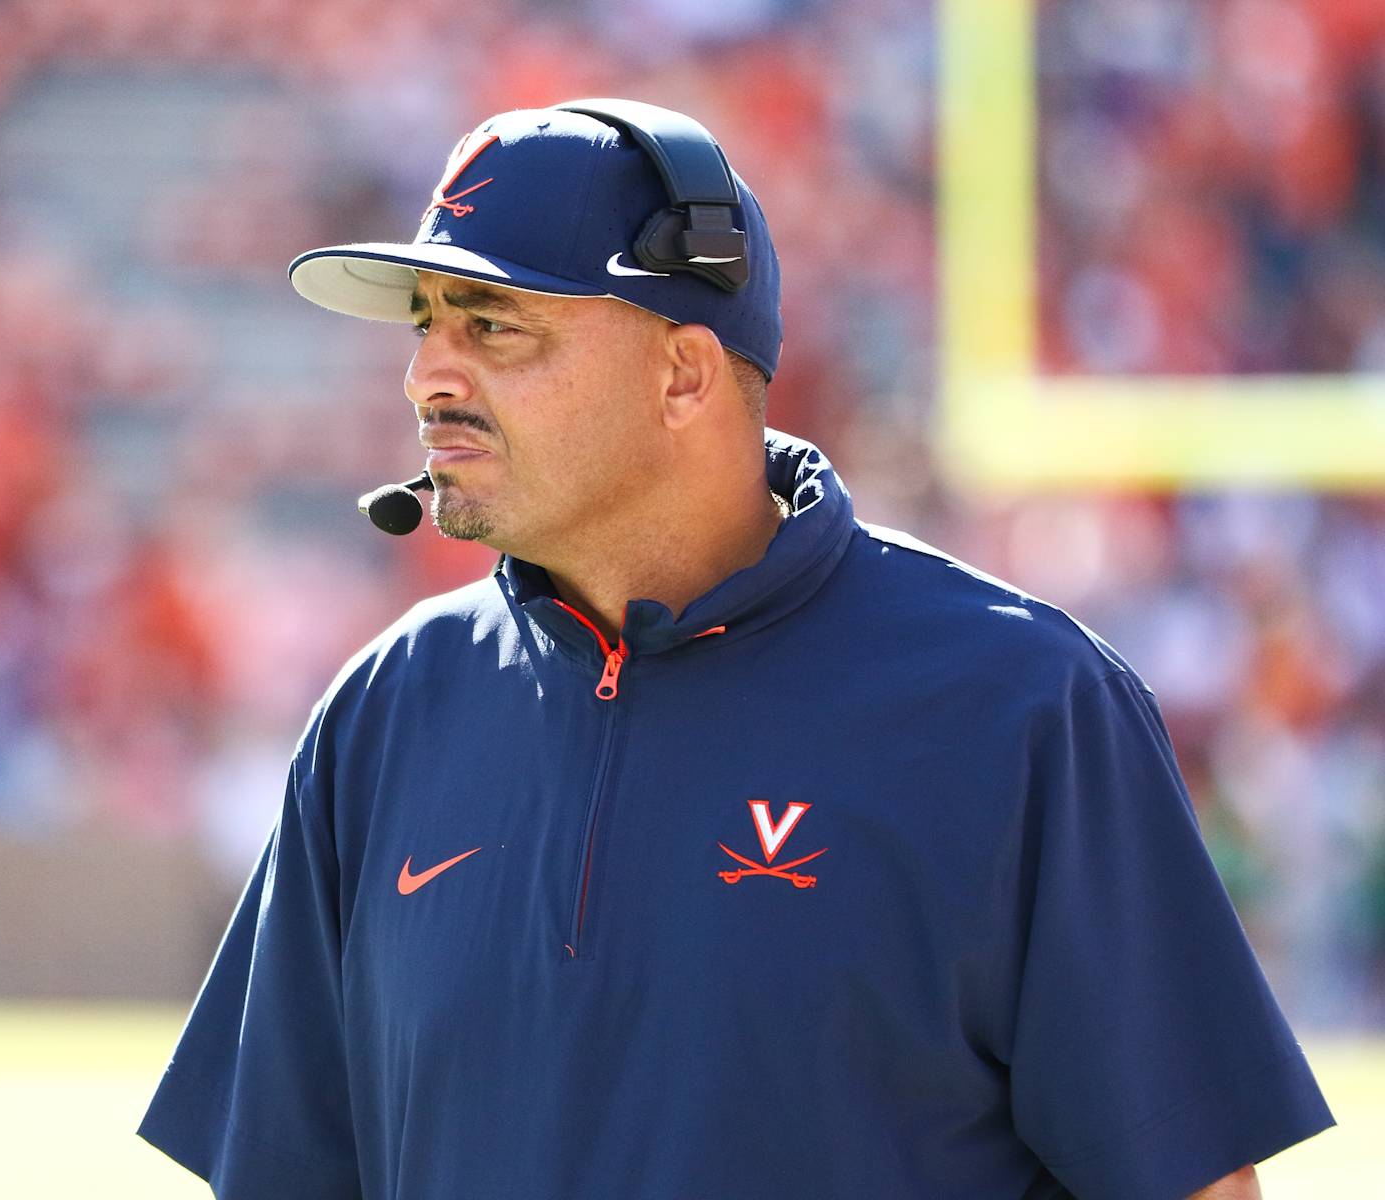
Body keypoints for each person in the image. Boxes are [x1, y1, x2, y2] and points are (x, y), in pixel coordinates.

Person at [139, 100, 1334, 1199]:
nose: (425, 377)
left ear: (682, 371)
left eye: (494, 326)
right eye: (427, 326)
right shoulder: (383, 712)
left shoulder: (1022, 704)